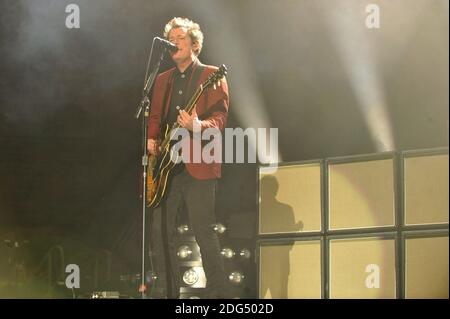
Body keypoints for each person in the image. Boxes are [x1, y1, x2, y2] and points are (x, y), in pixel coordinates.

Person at [147, 17, 229, 299]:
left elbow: (219, 119)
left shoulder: (212, 75)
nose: (174, 41)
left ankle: (218, 295)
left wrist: (197, 126)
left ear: (194, 44)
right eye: (171, 37)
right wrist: (152, 139)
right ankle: (166, 293)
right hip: (166, 166)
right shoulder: (161, 80)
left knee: (203, 231)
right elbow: (155, 116)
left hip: (200, 163)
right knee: (159, 234)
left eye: (180, 37)